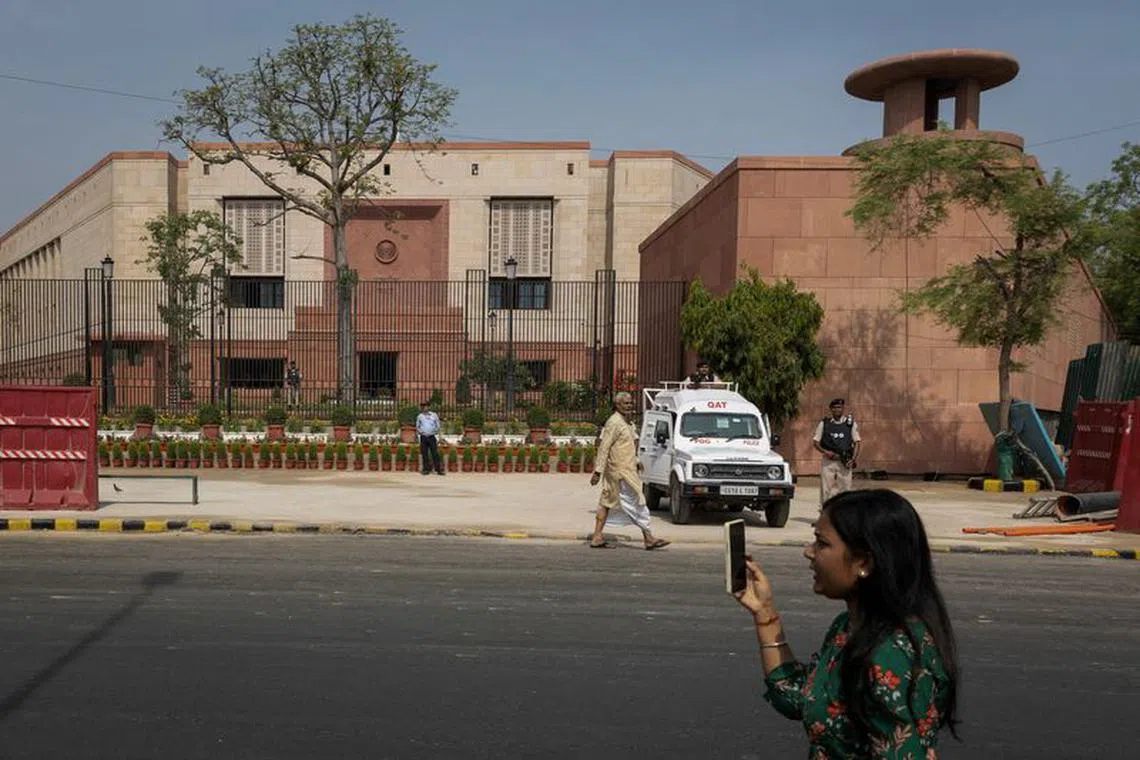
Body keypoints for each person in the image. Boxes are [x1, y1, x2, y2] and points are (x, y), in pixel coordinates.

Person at [733, 489, 960, 757]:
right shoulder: (850, 627)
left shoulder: (889, 653)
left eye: (822, 543)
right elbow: (800, 698)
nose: (809, 552)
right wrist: (765, 615)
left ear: (863, 562)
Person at [588, 391, 670, 550]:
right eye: (625, 403)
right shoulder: (614, 422)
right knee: (638, 503)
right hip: (619, 472)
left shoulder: (627, 423)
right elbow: (604, 447)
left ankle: (597, 537)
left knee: (606, 502)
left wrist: (637, 460)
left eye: (630, 403)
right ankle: (649, 538)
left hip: (627, 469)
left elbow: (629, 446)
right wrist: (598, 471)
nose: (629, 406)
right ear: (617, 405)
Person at [813, 398, 861, 506]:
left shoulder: (850, 424)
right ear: (831, 409)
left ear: (843, 408)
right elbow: (816, 442)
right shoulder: (824, 423)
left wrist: (853, 460)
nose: (837, 410)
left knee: (845, 490)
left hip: (844, 461)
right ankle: (824, 515)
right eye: (834, 408)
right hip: (828, 461)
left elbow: (857, 442)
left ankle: (843, 516)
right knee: (826, 489)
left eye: (839, 407)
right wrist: (825, 452)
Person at [415, 400, 444, 476]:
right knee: (424, 454)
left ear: (429, 407)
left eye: (426, 406)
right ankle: (426, 469)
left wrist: (439, 435)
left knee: (435, 453)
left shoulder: (434, 415)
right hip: (424, 437)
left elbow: (438, 425)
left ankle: (438, 469)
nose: (425, 408)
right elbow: (417, 426)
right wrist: (421, 432)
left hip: (432, 436)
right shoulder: (420, 416)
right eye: (423, 406)